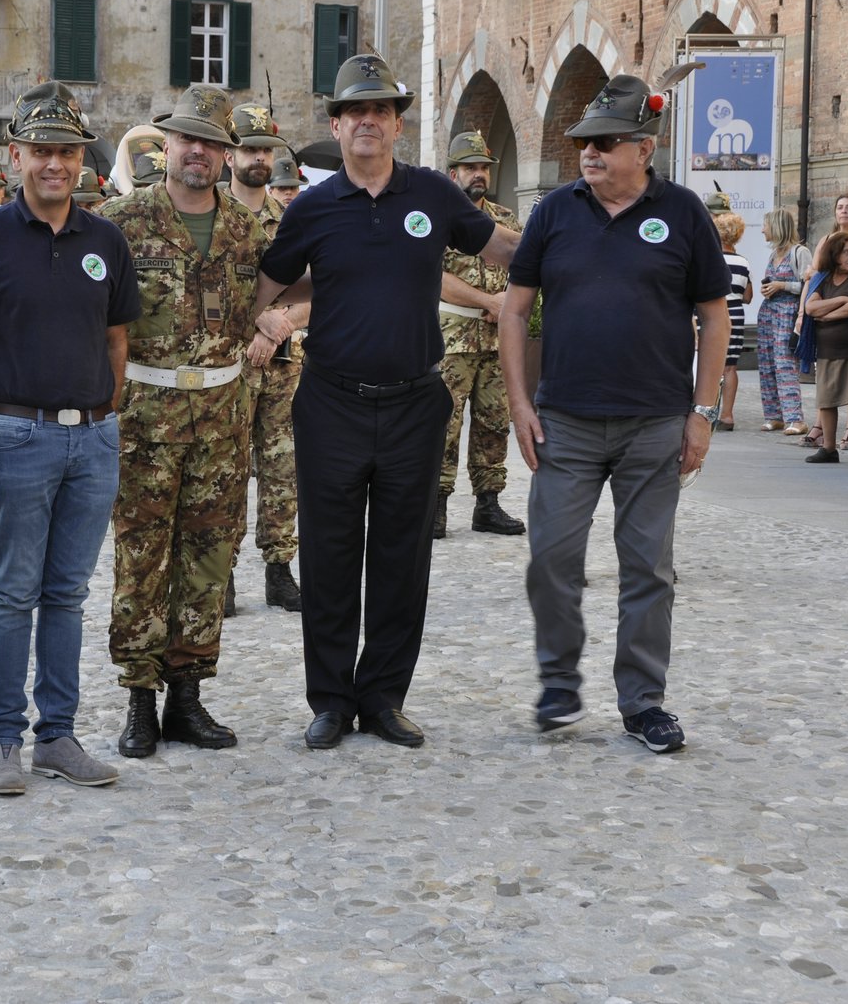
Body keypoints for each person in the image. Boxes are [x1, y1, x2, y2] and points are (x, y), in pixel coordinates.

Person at [247, 54, 518, 751]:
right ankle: (332, 701)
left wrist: (580, 244)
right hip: (331, 402)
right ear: (336, 126)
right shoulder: (310, 209)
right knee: (332, 557)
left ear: (397, 124)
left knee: (402, 558)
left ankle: (385, 698)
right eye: (355, 111)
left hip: (414, 403)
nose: (368, 121)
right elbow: (268, 290)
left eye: (382, 111)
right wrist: (279, 320)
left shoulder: (433, 195)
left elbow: (503, 251)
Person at [498, 72, 731, 754]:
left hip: (655, 422)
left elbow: (713, 319)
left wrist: (703, 411)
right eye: (584, 143)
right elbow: (514, 310)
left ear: (644, 148)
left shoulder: (684, 212)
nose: (589, 153)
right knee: (552, 559)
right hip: (564, 420)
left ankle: (642, 701)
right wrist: (519, 403)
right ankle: (559, 681)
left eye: (605, 142)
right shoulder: (554, 212)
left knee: (648, 569)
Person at [0, 80, 137, 795]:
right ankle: (2, 740)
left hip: (93, 442)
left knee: (69, 593)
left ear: (83, 159)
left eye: (68, 152)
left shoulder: (105, 239)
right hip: (14, 435)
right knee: (13, 592)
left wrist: (105, 419)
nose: (56, 164)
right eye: (42, 151)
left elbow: (116, 338)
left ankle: (58, 734)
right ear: (15, 155)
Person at [97, 86, 266, 760]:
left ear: (226, 156)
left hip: (223, 416)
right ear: (166, 145)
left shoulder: (252, 229)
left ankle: (188, 695)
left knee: (209, 553)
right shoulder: (119, 222)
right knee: (142, 556)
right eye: (188, 139)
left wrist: (285, 319)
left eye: (213, 143)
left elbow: (308, 284)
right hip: (144, 413)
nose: (199, 152)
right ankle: (140, 698)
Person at [225, 101, 303, 614]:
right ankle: (222, 573)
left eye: (265, 149)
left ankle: (279, 568)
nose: (259, 158)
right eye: (249, 148)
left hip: (282, 365)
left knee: (282, 467)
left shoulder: (293, 220)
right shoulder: (212, 215)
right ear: (230, 154)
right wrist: (254, 322)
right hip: (225, 366)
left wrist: (282, 326)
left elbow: (322, 289)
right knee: (226, 470)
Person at [435, 130, 525, 539]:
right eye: (470, 167)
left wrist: (511, 303)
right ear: (452, 173)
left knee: (494, 421)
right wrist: (488, 302)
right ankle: (434, 505)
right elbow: (434, 278)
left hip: (495, 340)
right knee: (443, 424)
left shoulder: (506, 221)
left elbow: (524, 271)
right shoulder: (436, 219)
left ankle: (488, 503)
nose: (478, 175)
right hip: (451, 338)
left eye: (483, 168)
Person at [801, 231, 848, 465]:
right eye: (846, 252)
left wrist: (828, 317)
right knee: (826, 399)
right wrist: (840, 300)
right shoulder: (825, 278)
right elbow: (811, 308)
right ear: (835, 255)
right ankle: (829, 448)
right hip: (826, 350)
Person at [756, 207, 808, 435]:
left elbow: (809, 285)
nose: (762, 230)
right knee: (767, 364)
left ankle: (795, 419)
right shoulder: (773, 253)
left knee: (785, 364)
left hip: (788, 313)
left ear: (777, 226)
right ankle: (774, 415)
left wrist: (781, 285)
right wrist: (768, 287)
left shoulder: (800, 252)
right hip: (769, 312)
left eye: (765, 225)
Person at [705, 192, 747, 432]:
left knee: (707, 363)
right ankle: (728, 415)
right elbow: (748, 295)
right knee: (730, 366)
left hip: (713, 313)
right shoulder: (743, 261)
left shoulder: (712, 258)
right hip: (737, 314)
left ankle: (706, 408)